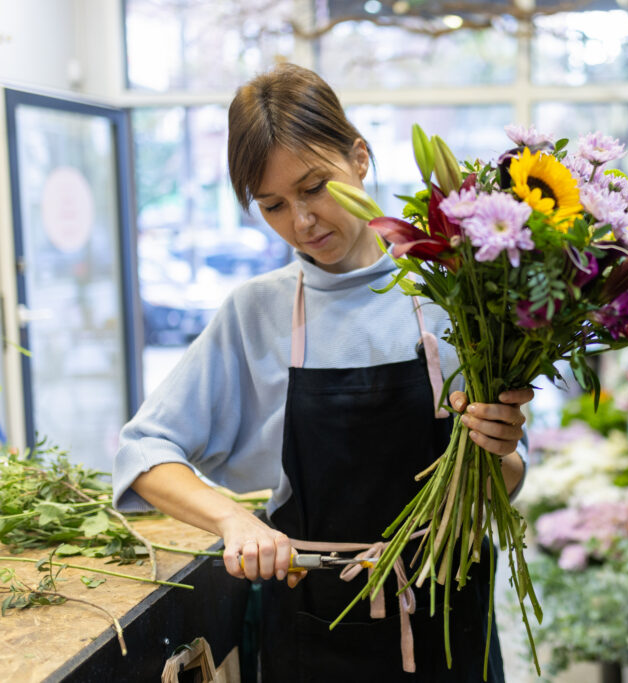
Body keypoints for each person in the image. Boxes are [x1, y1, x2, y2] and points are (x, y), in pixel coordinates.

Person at [113, 62, 531, 682]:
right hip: (316, 624)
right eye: (274, 204)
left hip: (450, 616)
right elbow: (143, 453)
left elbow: (511, 475)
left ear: (359, 158)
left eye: (314, 187)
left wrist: (499, 449)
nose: (302, 222)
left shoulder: (459, 290)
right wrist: (235, 520)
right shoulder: (258, 311)